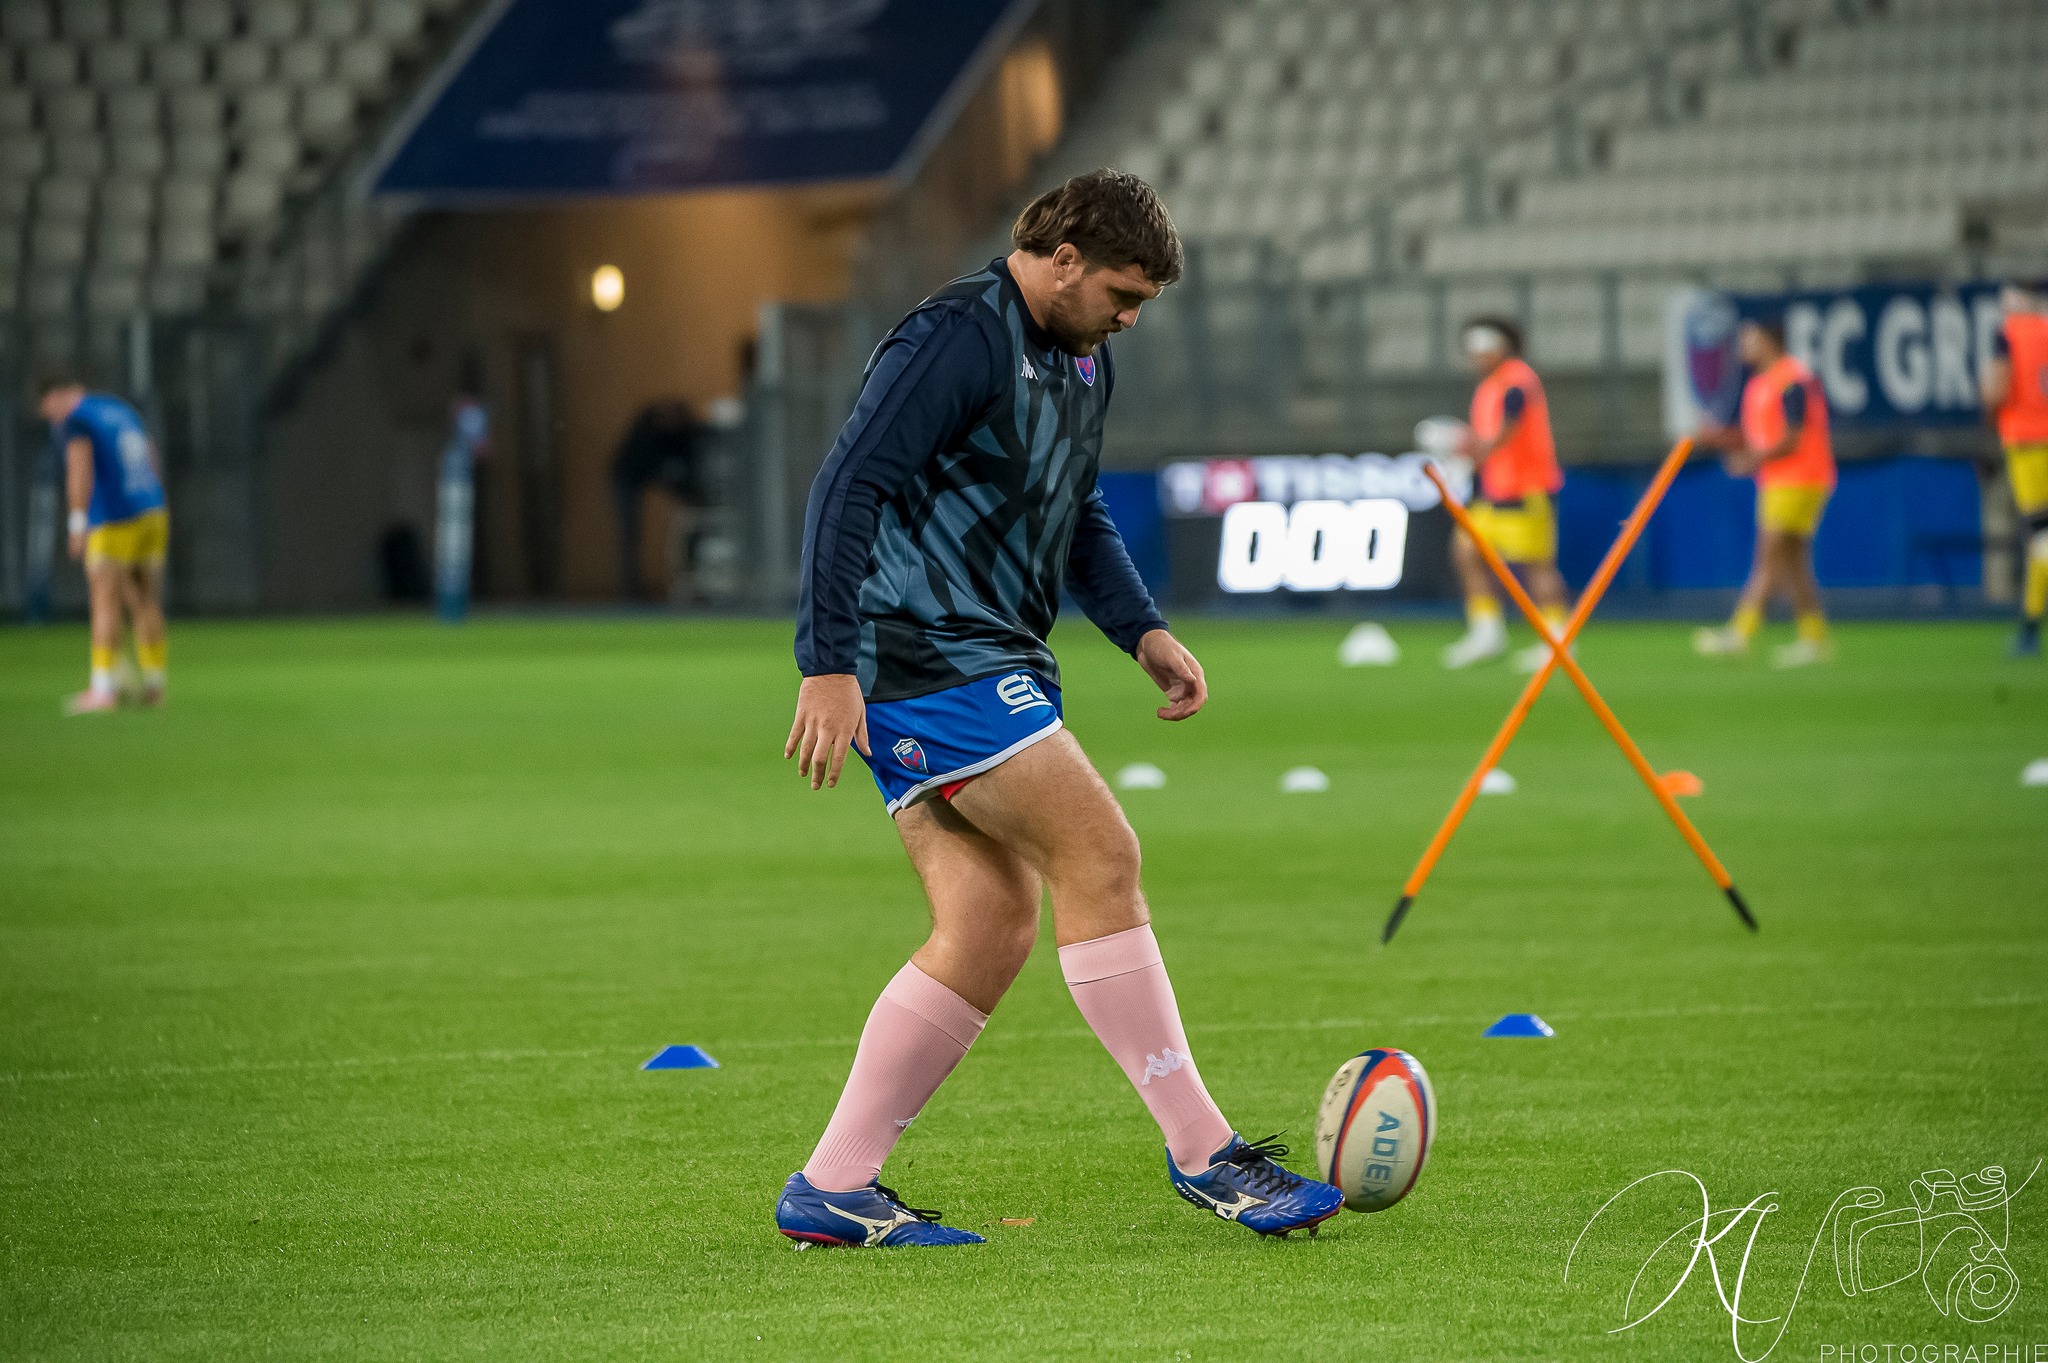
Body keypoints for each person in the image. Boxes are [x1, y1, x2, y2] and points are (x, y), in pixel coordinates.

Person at [777, 170, 1342, 1249]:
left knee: (987, 925)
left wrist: (1141, 628)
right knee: (1102, 852)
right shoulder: (953, 337)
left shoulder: (1081, 356)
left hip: (984, 655)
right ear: (1062, 256)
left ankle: (834, 1183)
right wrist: (826, 662)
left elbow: (1072, 507)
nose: (1129, 317)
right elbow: (846, 483)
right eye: (1120, 293)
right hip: (923, 656)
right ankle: (1207, 1155)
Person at [1693, 316, 1837, 667]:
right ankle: (1814, 639)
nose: (1743, 345)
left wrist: (1751, 461)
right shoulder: (1761, 384)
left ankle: (1740, 633)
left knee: (1768, 559)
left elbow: (1793, 436)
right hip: (1782, 480)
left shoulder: (1792, 379)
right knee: (1794, 562)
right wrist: (1718, 438)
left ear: (1767, 340)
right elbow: (1758, 437)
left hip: (1798, 478)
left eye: (1749, 337)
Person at [1442, 318, 1571, 671]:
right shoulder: (1488, 387)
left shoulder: (1517, 378)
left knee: (1536, 566)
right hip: (1492, 489)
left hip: (1526, 489)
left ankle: (1556, 639)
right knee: (1466, 552)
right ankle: (1487, 632)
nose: (1476, 355)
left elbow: (1508, 427)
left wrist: (1477, 448)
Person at [39, 375, 170, 714]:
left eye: (48, 409)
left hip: (114, 520)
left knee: (104, 601)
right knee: (145, 601)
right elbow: (151, 455)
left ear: (59, 395)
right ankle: (155, 684)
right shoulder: (119, 409)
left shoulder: (78, 420)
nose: (50, 418)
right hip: (152, 510)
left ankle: (102, 690)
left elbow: (79, 468)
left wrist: (78, 522)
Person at [1981, 278, 2048, 658]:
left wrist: (1987, 405)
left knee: (2040, 536)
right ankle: (2029, 624)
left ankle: (2030, 627)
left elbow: (1999, 391)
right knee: (2042, 534)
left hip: (2026, 442)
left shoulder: (2007, 334)